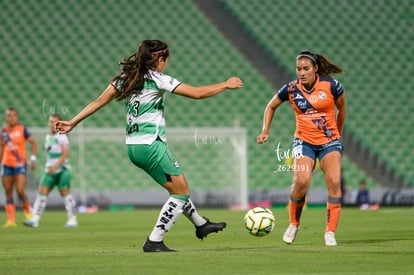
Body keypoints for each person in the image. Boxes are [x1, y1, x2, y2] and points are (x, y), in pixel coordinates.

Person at [55, 39, 243, 252]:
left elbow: (98, 102)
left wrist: (73, 122)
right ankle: (154, 240)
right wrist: (225, 84)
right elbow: (197, 93)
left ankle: (201, 224)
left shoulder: (126, 78)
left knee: (176, 188)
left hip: (134, 147)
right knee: (181, 193)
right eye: (166, 60)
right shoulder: (157, 78)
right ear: (160, 59)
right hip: (151, 144)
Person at [257, 50, 346, 246]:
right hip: (303, 141)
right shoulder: (290, 89)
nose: (302, 72)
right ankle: (294, 224)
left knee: (334, 181)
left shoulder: (331, 86)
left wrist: (337, 133)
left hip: (329, 142)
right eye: (298, 69)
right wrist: (265, 130)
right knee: (301, 181)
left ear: (315, 69)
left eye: (306, 68)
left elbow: (341, 107)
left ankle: (330, 232)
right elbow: (271, 106)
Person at [24, 114, 77, 228]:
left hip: (62, 169)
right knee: (42, 192)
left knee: (65, 193)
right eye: (51, 122)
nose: (53, 124)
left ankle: (72, 219)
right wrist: (50, 167)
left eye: (55, 122)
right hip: (50, 170)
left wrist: (55, 166)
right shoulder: (48, 136)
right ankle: (35, 219)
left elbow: (65, 154)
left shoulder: (62, 136)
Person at [0, 107, 37, 227]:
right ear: (6, 117)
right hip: (6, 164)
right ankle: (11, 220)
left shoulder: (22, 129)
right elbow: (2, 147)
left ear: (17, 117)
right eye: (9, 115)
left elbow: (33, 143)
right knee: (8, 192)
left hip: (20, 164)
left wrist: (33, 158)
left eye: (14, 115)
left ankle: (28, 213)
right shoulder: (3, 131)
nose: (11, 118)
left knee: (20, 190)